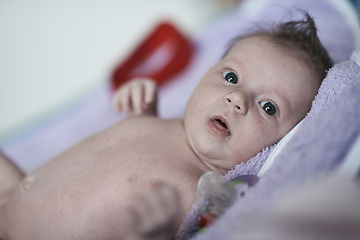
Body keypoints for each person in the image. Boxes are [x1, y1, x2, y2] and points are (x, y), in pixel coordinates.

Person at [0, 12, 332, 240]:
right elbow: (132, 156)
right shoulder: (173, 125)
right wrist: (144, 114)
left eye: (268, 106)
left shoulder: (197, 194)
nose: (236, 99)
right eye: (230, 77)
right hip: (10, 196)